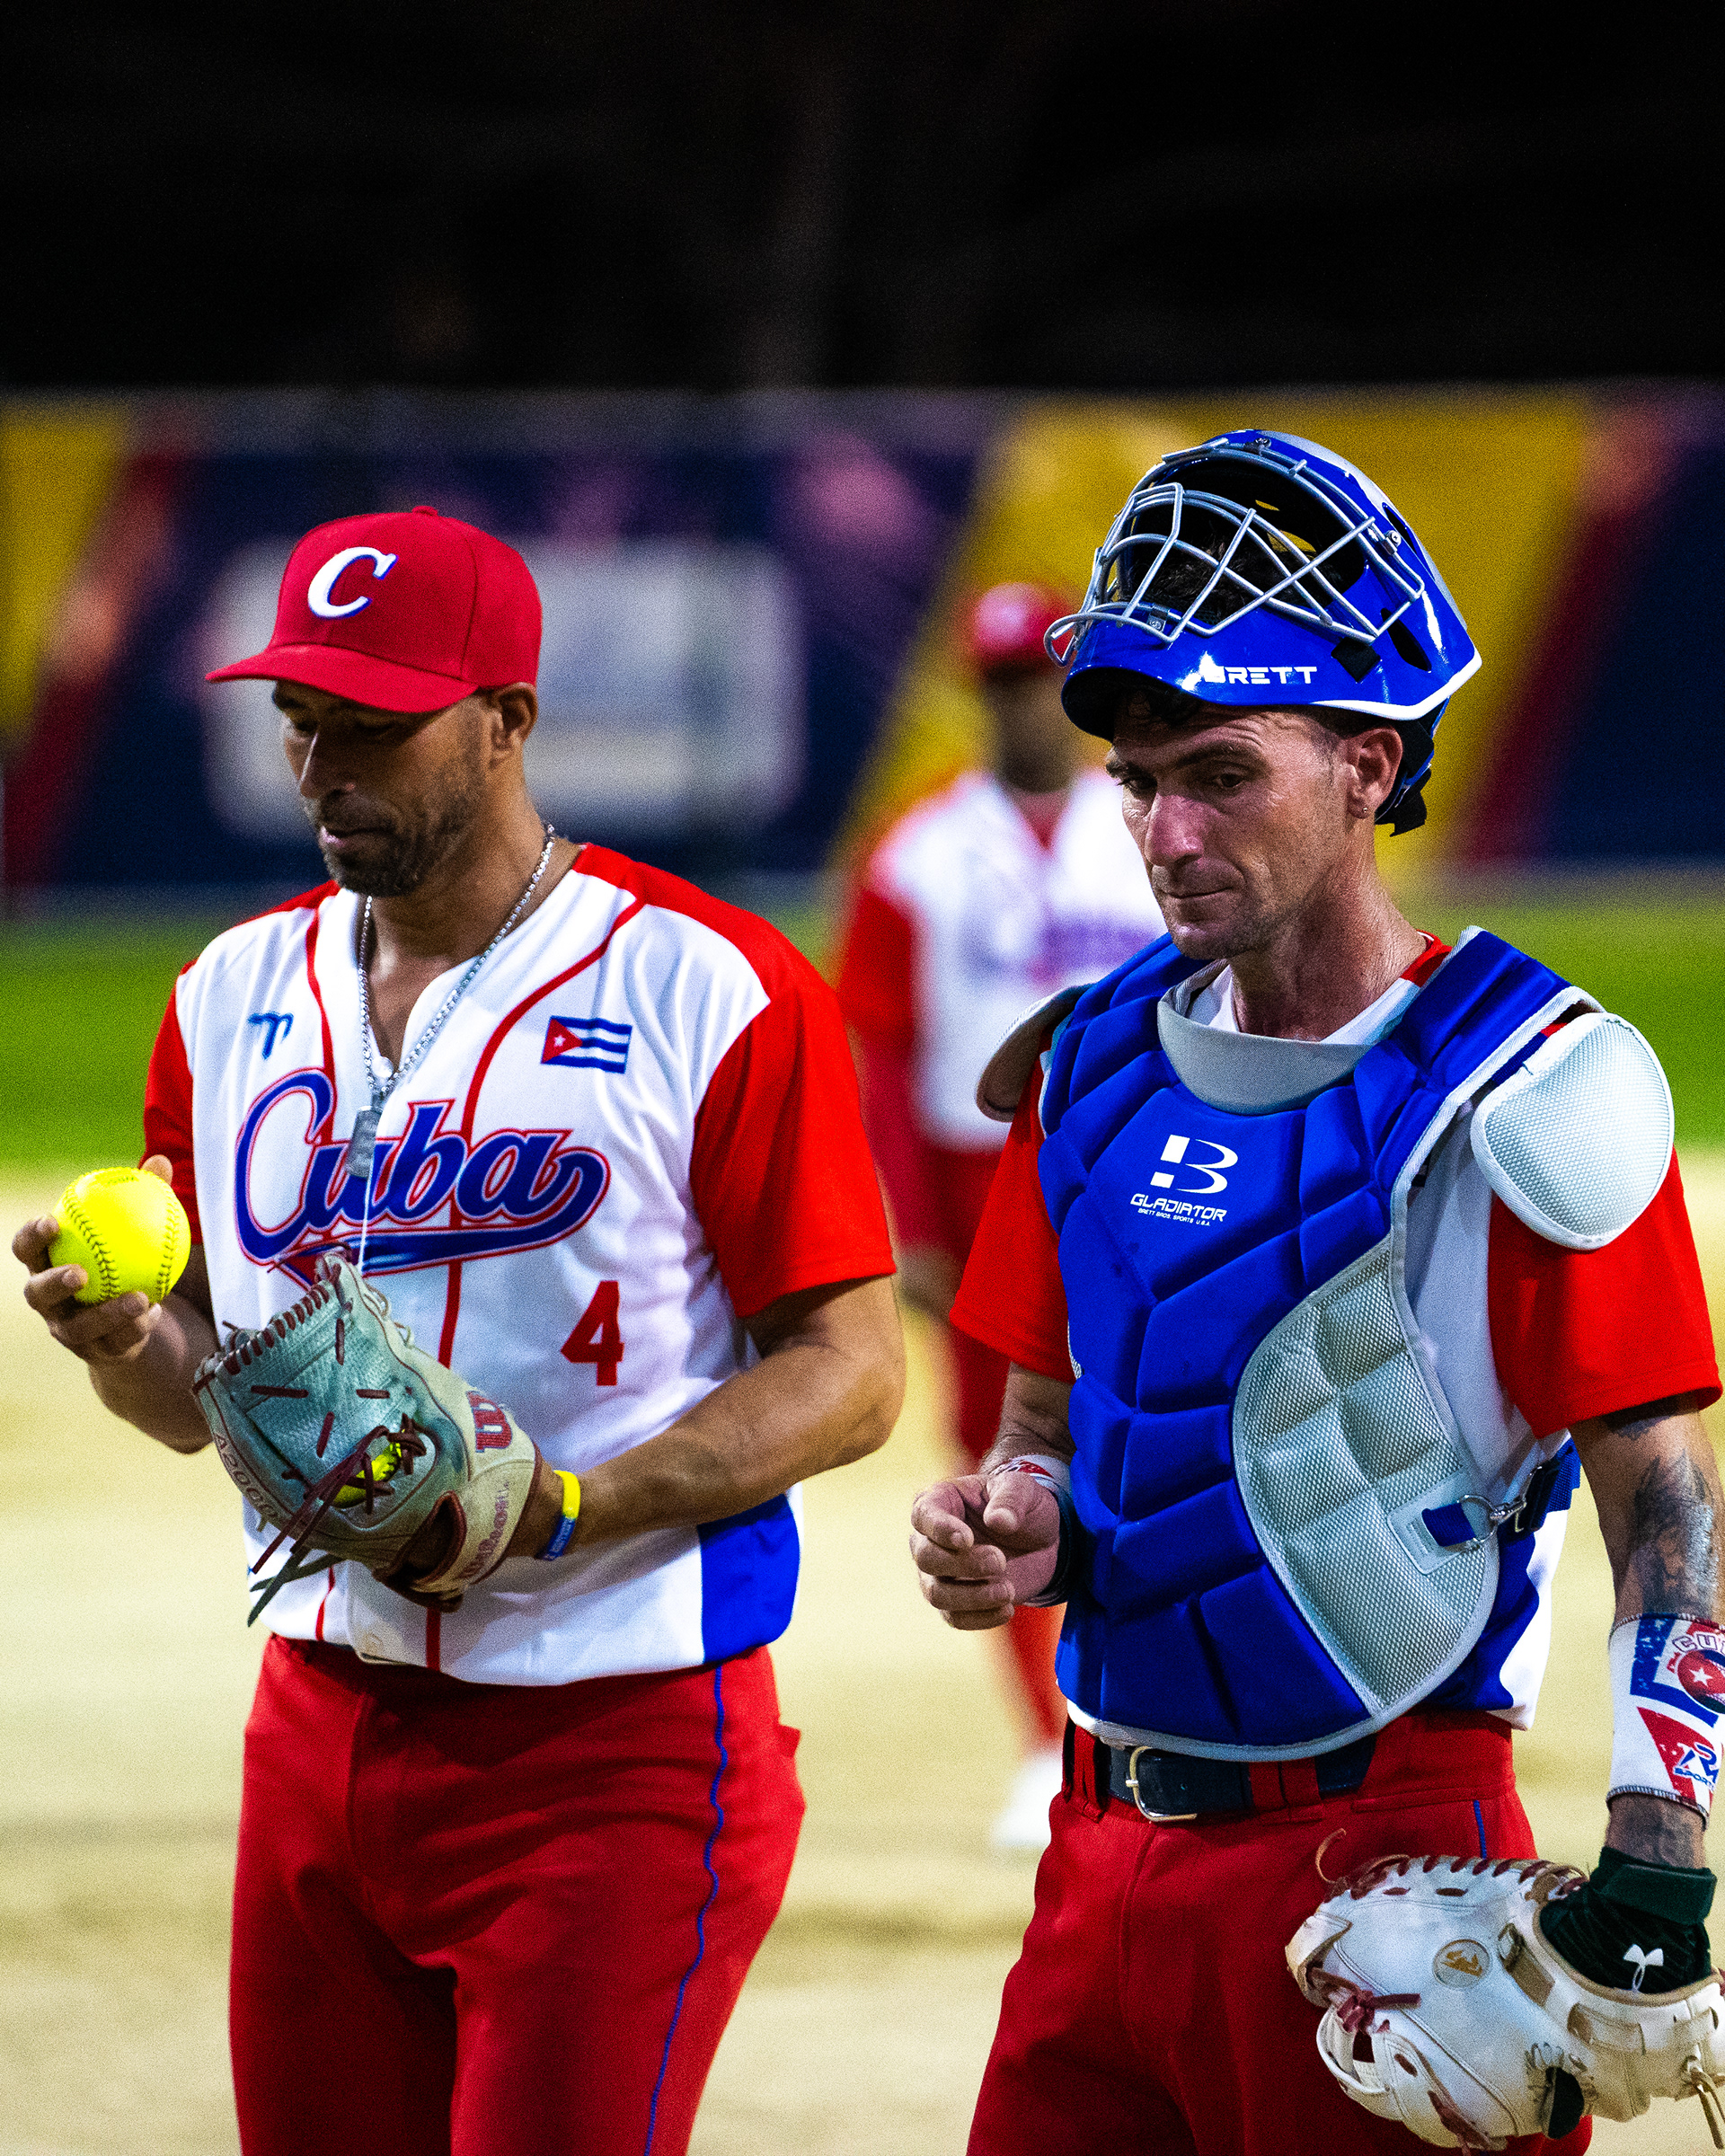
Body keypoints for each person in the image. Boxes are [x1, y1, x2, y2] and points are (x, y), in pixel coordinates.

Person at [14, 505, 904, 2156]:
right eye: (302, 720)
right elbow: (200, 1399)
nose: (324, 766)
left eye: (375, 724)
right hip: (316, 1724)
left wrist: (568, 1505)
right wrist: (123, 1340)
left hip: (616, 1742)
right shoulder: (225, 997)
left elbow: (854, 1370)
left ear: (508, 720)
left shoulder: (708, 985)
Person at [907, 430, 1723, 2153]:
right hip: (1097, 1865)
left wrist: (1661, 1859)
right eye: (1138, 783)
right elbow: (1050, 1425)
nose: (1165, 832)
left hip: (1393, 1887)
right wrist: (1017, 1518)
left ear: (1369, 764)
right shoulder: (1090, 1066)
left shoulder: (1530, 1090)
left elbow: (1667, 1511)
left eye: (1221, 773)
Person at [836, 580, 1164, 1849]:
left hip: (1146, 1163)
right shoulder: (916, 854)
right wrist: (912, 1225)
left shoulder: (1147, 821)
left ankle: (1155, 1701)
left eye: (1040, 680)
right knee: (1004, 1453)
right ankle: (1052, 1738)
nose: (1024, 704)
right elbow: (882, 1049)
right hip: (977, 1179)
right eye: (1004, 683)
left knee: (1159, 1428)